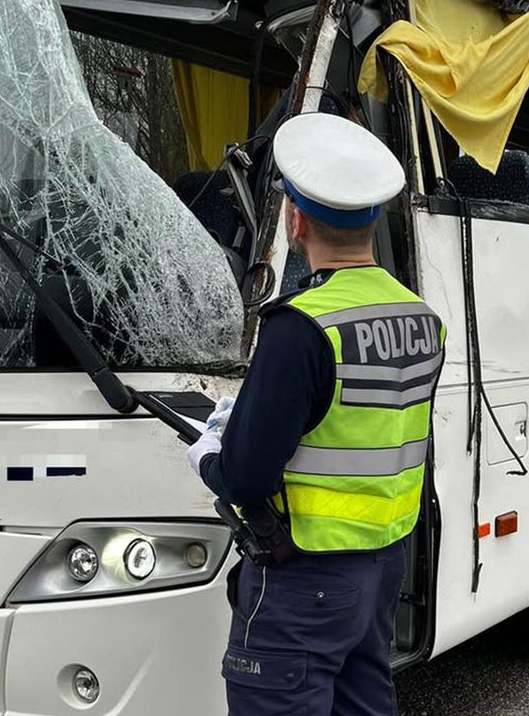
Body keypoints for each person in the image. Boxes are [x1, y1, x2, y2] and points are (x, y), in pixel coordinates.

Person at [186, 111, 446, 716]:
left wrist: (210, 458)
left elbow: (247, 476)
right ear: (373, 219)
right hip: (382, 568)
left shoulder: (300, 327)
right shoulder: (420, 318)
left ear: (295, 220)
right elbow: (367, 422)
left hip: (306, 580)